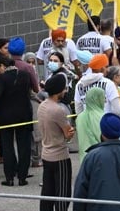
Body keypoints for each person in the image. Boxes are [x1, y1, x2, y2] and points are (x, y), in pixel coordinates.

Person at [0, 57, 33, 186]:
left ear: (3, 65)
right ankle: (22, 177)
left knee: (8, 145)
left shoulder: (3, 78)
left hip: (6, 116)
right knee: (24, 146)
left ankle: (9, 178)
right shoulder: (25, 75)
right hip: (24, 115)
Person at [37, 75, 75, 211]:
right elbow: (67, 134)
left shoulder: (42, 106)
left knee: (47, 192)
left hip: (46, 153)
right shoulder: (58, 110)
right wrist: (71, 133)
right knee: (63, 193)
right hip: (60, 156)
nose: (65, 91)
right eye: (64, 88)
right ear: (59, 90)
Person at [75, 88, 105, 161]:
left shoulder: (80, 117)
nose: (104, 100)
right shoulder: (102, 117)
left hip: (84, 158)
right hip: (100, 158)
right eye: (103, 98)